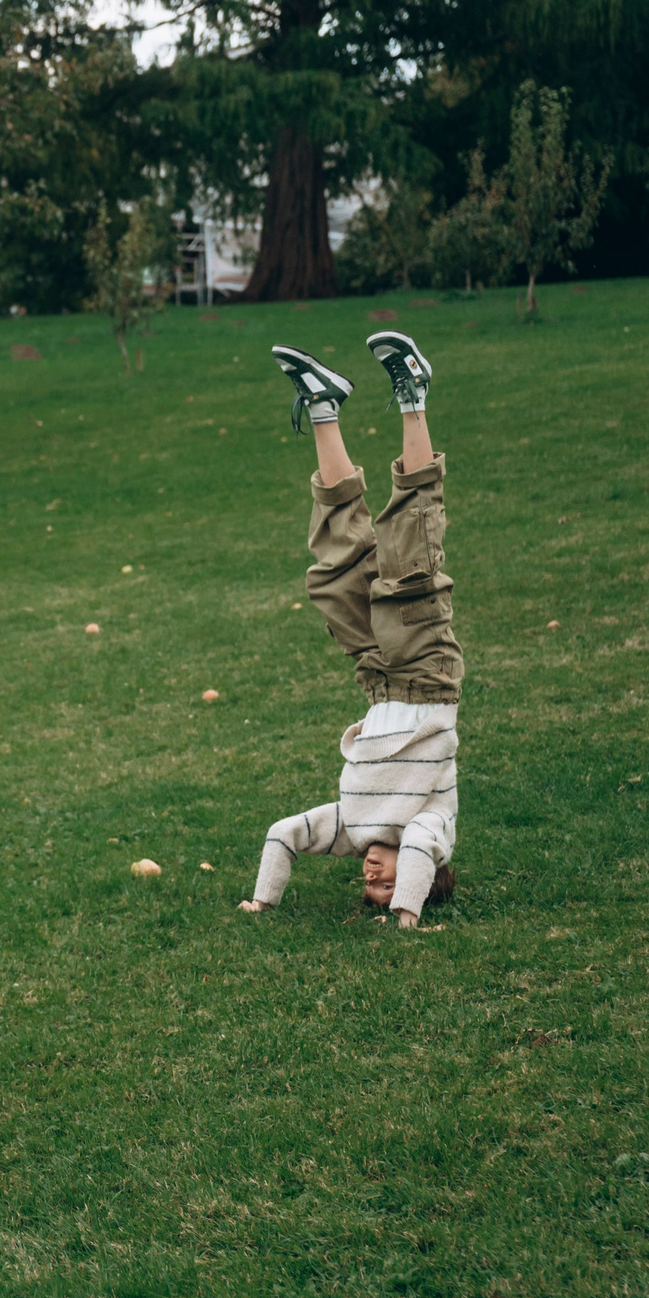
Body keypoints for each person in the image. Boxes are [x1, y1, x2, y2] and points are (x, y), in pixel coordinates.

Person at [242, 331, 460, 927]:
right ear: (432, 869)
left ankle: (322, 404)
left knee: (336, 571)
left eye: (372, 892)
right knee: (409, 547)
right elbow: (413, 853)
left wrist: (262, 901)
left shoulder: (348, 829)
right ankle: (413, 390)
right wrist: (407, 914)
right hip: (424, 672)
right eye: (387, 888)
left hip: (375, 675)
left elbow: (283, 833)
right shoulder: (431, 828)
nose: (373, 879)